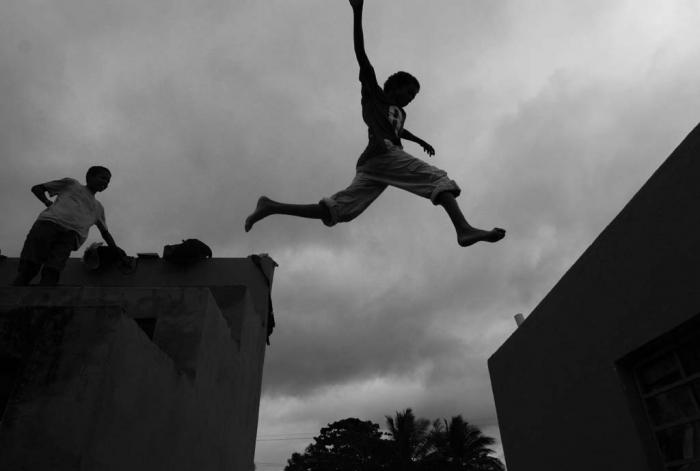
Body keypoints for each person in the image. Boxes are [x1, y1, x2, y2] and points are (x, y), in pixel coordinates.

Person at [245, 0, 505, 248]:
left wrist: (419, 140)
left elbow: (399, 129)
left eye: (414, 96)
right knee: (438, 179)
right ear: (394, 87)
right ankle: (463, 229)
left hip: (371, 165)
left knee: (340, 210)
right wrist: (357, 12)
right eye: (409, 93)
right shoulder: (374, 93)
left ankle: (271, 206)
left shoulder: (399, 114)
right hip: (384, 152)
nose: (410, 99)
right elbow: (361, 54)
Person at [13, 166, 126, 286]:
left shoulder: (99, 208)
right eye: (103, 178)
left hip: (71, 236)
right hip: (48, 225)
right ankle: (14, 293)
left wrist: (116, 252)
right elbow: (37, 189)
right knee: (29, 266)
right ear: (89, 177)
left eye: (108, 181)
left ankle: (44, 297)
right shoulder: (71, 184)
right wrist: (47, 202)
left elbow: (105, 233)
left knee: (53, 269)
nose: (105, 183)